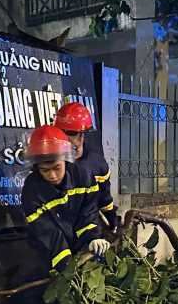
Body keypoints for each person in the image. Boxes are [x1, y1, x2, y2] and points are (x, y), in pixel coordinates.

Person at [21, 124, 110, 270]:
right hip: (49, 256)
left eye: (57, 168)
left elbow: (88, 214)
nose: (52, 175)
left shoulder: (83, 177)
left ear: (66, 161)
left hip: (81, 249)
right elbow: (48, 233)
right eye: (45, 170)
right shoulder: (31, 191)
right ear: (36, 168)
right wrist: (67, 267)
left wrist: (92, 238)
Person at [53, 102, 118, 230]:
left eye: (80, 133)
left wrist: (112, 220)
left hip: (88, 228)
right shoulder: (50, 162)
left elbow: (104, 200)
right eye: (71, 133)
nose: (77, 139)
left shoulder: (97, 165)